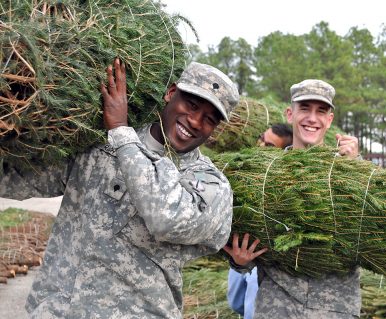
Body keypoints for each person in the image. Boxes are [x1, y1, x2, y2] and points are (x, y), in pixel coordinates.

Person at [0, 58, 239, 318]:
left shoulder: (209, 186)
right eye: (191, 105)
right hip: (57, 311)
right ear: (171, 93)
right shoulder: (98, 145)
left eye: (209, 119)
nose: (195, 121)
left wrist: (121, 133)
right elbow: (21, 178)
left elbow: (167, 218)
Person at [225, 79, 360, 319]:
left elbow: (368, 232)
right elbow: (249, 242)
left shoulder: (351, 170)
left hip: (334, 310)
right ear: (290, 114)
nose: (312, 118)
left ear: (329, 120)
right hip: (277, 309)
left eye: (321, 111)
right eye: (304, 108)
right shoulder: (264, 177)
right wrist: (240, 262)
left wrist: (356, 169)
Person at [226, 123, 293, 319]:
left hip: (262, 262)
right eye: (262, 139)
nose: (261, 146)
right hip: (240, 256)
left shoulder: (280, 189)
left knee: (251, 308)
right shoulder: (242, 170)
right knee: (236, 301)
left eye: (270, 146)